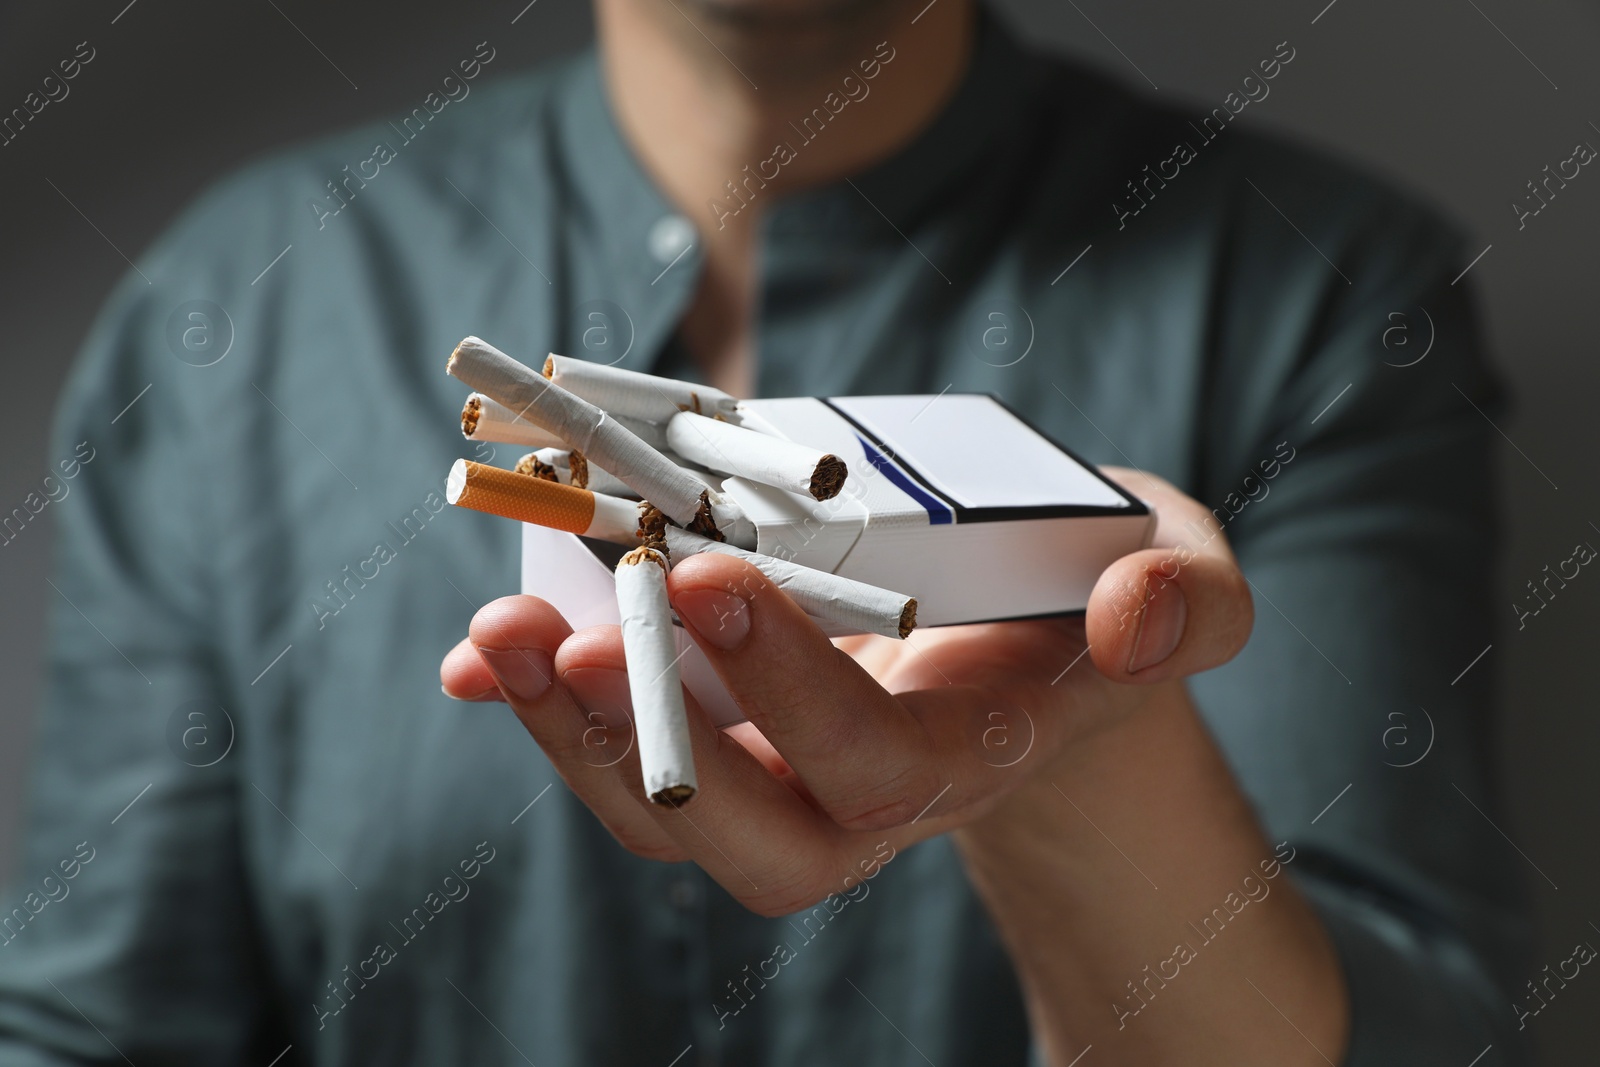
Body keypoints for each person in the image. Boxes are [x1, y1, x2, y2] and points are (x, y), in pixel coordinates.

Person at [0, 0, 1528, 1062]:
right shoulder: (244, 312)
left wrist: (1088, 759)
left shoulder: (1314, 294)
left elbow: (1411, 1033)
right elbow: (98, 1027)